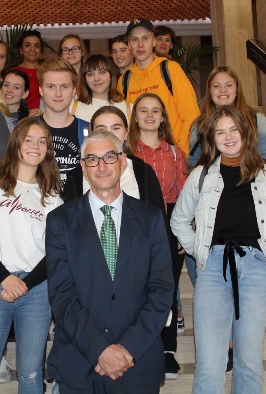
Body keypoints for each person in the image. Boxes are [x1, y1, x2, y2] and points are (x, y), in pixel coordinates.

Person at [171, 105, 266, 394]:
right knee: (210, 365)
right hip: (212, 271)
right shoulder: (201, 176)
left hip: (256, 271)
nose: (228, 137)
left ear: (246, 132)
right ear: (212, 138)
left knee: (248, 361)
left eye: (233, 129)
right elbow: (178, 221)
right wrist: (201, 252)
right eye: (219, 131)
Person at [46, 131, 173, 393]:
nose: (101, 166)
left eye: (109, 157)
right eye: (92, 159)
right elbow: (61, 295)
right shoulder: (60, 221)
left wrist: (126, 349)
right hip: (79, 363)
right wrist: (99, 351)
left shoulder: (151, 219)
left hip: (137, 361)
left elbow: (161, 291)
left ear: (123, 161)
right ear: (82, 167)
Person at [0, 117, 63, 394]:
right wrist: (6, 279)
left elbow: (55, 251)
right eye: (29, 139)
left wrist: (25, 284)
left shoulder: (52, 194)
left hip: (36, 291)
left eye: (42, 141)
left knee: (31, 378)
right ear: (16, 144)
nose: (35, 146)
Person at [128, 93, 188, 380]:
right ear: (135, 116)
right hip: (133, 226)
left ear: (163, 118)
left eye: (155, 111)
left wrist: (180, 232)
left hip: (167, 225)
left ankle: (167, 350)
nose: (149, 115)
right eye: (143, 110)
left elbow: (184, 197)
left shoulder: (176, 153)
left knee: (167, 286)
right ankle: (138, 346)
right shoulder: (126, 152)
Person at [117, 18, 200, 157]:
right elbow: (126, 123)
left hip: (173, 154)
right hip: (140, 157)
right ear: (129, 45)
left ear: (154, 41)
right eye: (135, 40)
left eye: (145, 38)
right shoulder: (124, 80)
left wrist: (181, 152)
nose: (140, 44)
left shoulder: (170, 69)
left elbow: (191, 115)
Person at [63, 106, 164, 215]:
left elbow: (157, 218)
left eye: (116, 128)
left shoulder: (143, 172)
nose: (109, 134)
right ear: (91, 133)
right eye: (101, 129)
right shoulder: (75, 177)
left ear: (126, 133)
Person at [189, 65, 266, 167]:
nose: (223, 90)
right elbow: (194, 162)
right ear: (210, 91)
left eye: (229, 85)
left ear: (237, 90)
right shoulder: (199, 125)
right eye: (216, 86)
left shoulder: (257, 120)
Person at [37, 57, 90, 188]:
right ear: (41, 90)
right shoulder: (25, 131)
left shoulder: (88, 131)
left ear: (73, 90)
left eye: (64, 87)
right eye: (51, 86)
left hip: (76, 206)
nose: (58, 93)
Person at [71, 54, 128, 124]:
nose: (96, 78)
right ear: (84, 79)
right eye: (90, 74)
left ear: (111, 75)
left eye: (102, 72)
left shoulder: (127, 108)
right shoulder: (72, 107)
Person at [12, 30, 44, 110]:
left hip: (42, 117)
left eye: (37, 46)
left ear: (40, 51)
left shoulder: (47, 72)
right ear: (21, 50)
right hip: (18, 118)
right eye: (27, 45)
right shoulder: (12, 73)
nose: (32, 49)